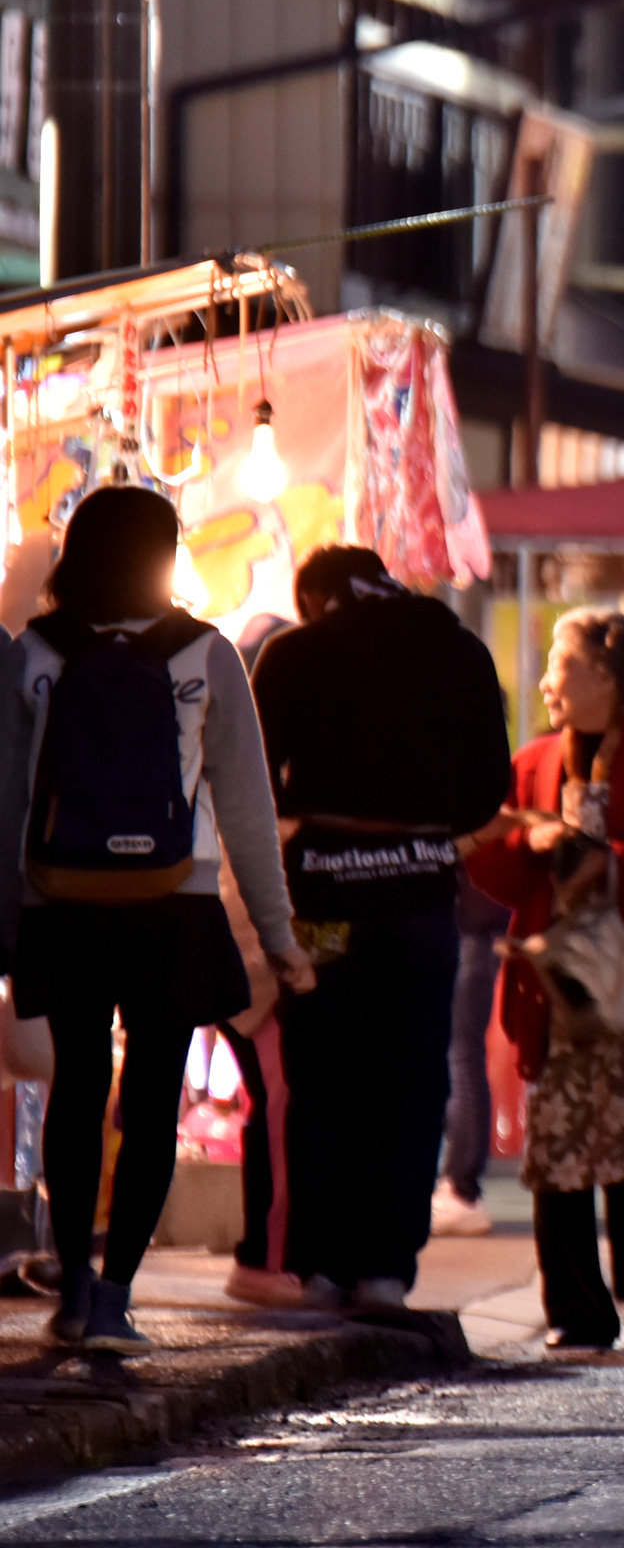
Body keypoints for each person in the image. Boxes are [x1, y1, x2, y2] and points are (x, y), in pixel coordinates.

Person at [0, 487, 312, 1354]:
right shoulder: (204, 655)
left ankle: (68, 1285)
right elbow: (249, 810)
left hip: (61, 898)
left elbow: (6, 801)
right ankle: (115, 1296)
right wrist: (281, 940)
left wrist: (6, 915)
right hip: (175, 900)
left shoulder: (35, 652)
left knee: (75, 1094)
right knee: (150, 1097)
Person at [250, 545, 513, 1310]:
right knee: (411, 1074)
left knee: (322, 1071)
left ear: (319, 597)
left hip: (324, 902)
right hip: (421, 901)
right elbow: (486, 790)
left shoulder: (293, 654)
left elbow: (250, 778)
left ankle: (324, 1264)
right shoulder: (458, 649)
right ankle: (388, 1267)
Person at [469, 612, 624, 1350]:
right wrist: (530, 841)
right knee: (558, 1154)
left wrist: (600, 857)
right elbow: (496, 868)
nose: (548, 680)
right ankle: (575, 1310)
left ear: (605, 678)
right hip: (559, 990)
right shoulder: (532, 763)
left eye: (560, 663)